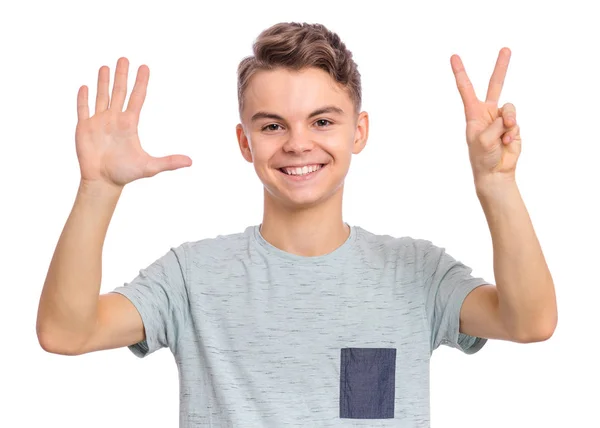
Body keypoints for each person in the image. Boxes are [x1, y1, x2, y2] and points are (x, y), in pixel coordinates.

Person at [36, 22, 557, 427]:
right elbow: (65, 332)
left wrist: (497, 184)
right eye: (272, 125)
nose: (298, 143)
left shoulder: (417, 273)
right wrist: (98, 190)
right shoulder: (191, 277)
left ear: (359, 131)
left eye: (323, 121)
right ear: (245, 143)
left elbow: (530, 322)